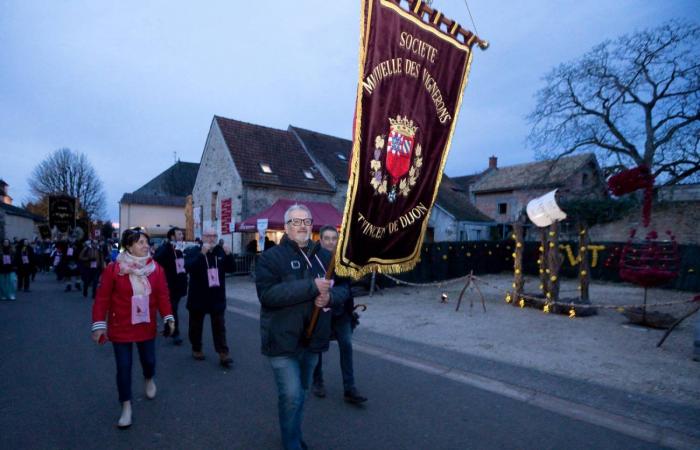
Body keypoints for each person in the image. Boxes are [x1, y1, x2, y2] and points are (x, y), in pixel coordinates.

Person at [255, 204, 349, 450]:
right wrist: (312, 287)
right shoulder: (270, 257)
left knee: (301, 393)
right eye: (296, 222)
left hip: (313, 340)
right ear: (286, 227)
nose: (302, 226)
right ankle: (292, 444)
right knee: (292, 395)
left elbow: (344, 289)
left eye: (306, 221)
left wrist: (329, 297)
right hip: (282, 341)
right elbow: (268, 295)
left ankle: (293, 433)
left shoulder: (325, 256)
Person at [91, 228, 174, 429]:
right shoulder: (114, 269)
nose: (146, 246)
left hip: (145, 324)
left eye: (146, 242)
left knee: (149, 360)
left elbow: (163, 296)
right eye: (140, 243)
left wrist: (168, 318)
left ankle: (148, 377)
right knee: (124, 367)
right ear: (129, 246)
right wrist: (99, 325)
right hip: (121, 325)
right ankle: (126, 406)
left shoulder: (156, 269)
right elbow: (102, 298)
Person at [311, 226, 368, 405]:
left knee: (346, 345)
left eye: (333, 239)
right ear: (320, 240)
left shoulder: (343, 261)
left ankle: (349, 388)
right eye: (326, 238)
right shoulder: (313, 260)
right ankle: (317, 381)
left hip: (341, 312)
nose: (330, 242)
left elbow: (347, 286)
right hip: (320, 312)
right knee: (318, 347)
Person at [184, 228, 235, 367]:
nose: (211, 239)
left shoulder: (220, 251)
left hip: (216, 296)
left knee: (219, 326)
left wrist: (229, 255)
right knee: (196, 326)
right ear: (202, 237)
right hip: (198, 296)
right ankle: (196, 348)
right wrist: (202, 254)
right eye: (208, 236)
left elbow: (232, 269)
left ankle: (223, 353)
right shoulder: (194, 251)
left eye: (214, 236)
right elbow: (188, 267)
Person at [154, 227, 188, 345]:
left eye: (182, 234)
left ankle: (168, 327)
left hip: (180, 283)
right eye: (179, 234)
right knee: (173, 308)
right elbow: (156, 260)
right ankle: (175, 333)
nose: (182, 236)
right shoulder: (165, 248)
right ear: (172, 236)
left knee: (173, 308)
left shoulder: (182, 248)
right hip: (169, 284)